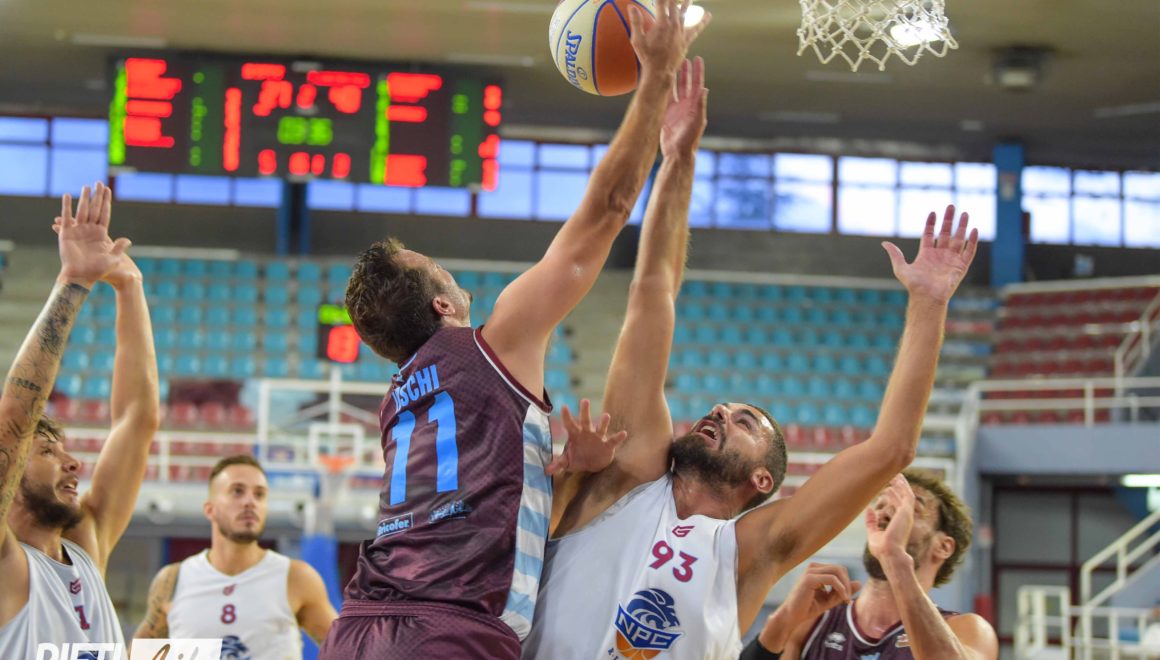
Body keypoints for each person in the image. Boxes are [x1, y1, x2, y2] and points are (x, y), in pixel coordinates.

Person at [318, 1, 711, 657]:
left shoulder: (399, 401)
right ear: (441, 305)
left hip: (359, 627)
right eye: (438, 268)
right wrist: (656, 78)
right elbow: (607, 210)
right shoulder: (493, 346)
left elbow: (480, 505)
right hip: (447, 631)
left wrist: (565, 474)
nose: (451, 272)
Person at [525, 197, 980, 660]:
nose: (719, 412)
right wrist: (677, 167)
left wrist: (928, 302)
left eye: (743, 421)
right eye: (719, 409)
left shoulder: (749, 551)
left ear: (762, 479)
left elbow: (891, 449)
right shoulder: (622, 482)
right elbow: (651, 294)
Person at [0, 183, 157, 658]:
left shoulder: (87, 544)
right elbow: (15, 417)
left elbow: (137, 420)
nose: (73, 463)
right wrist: (74, 282)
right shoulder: (8, 564)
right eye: (47, 452)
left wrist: (129, 287)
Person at [743, 470, 998, 660]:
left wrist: (894, 559)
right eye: (881, 505)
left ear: (944, 546)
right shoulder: (812, 622)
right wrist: (783, 619)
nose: (886, 513)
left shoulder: (969, 630)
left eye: (909, 509)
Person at [134, 455, 338, 658]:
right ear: (210, 509)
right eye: (237, 491)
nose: (250, 502)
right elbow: (138, 656)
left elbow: (347, 651)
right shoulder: (172, 580)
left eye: (259, 494)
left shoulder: (296, 577)